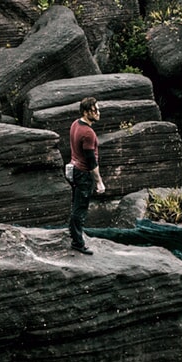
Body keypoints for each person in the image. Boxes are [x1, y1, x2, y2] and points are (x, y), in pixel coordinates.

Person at [68, 97, 106, 255]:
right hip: (83, 174)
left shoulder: (75, 124)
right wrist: (99, 182)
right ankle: (78, 243)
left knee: (76, 206)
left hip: (74, 170)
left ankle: (74, 234)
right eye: (94, 110)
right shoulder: (88, 133)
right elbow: (91, 162)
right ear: (85, 112)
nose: (98, 113)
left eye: (98, 109)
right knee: (80, 209)